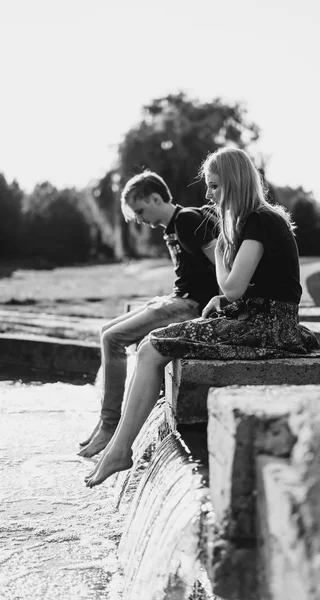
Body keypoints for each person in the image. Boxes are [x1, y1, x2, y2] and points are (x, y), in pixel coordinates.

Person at [85, 147, 320, 487]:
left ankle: (119, 449)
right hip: (261, 320)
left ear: (233, 184)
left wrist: (218, 255)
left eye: (214, 186)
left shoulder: (260, 220)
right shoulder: (259, 219)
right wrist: (222, 298)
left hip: (266, 327)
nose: (208, 194)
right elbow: (254, 288)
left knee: (150, 347)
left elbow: (232, 287)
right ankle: (117, 445)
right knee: (151, 346)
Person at [78, 170, 218, 458]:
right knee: (107, 331)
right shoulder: (172, 228)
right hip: (179, 298)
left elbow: (221, 266)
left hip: (193, 305)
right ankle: (106, 423)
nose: (140, 219)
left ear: (156, 198)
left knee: (115, 339)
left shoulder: (188, 219)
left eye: (141, 210)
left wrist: (220, 307)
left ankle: (110, 426)